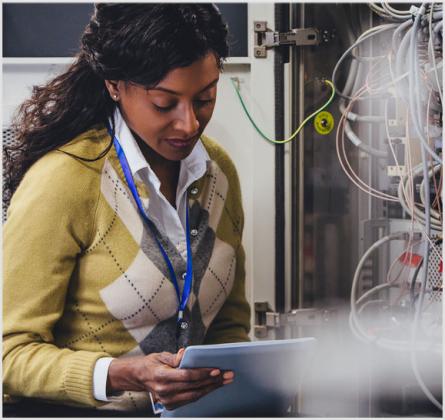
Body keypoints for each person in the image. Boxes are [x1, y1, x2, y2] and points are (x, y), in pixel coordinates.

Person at [3, 3, 250, 417]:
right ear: (115, 85)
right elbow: (8, 355)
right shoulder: (65, 180)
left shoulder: (218, 171)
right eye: (164, 104)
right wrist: (118, 374)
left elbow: (230, 327)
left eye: (205, 98)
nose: (189, 125)